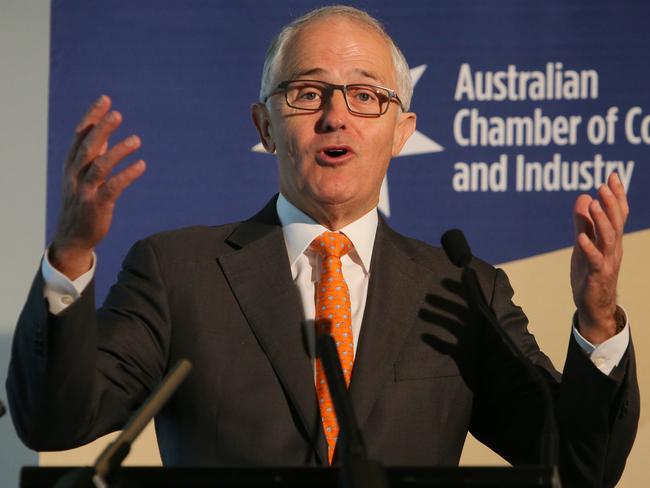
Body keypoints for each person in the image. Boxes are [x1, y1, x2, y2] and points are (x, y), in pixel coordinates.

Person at [6, 5, 638, 487]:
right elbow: (54, 421)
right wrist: (69, 257)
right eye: (307, 93)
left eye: (366, 96)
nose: (336, 115)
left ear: (400, 132)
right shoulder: (179, 274)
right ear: (266, 127)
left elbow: (584, 468)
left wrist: (598, 317)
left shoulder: (460, 287)